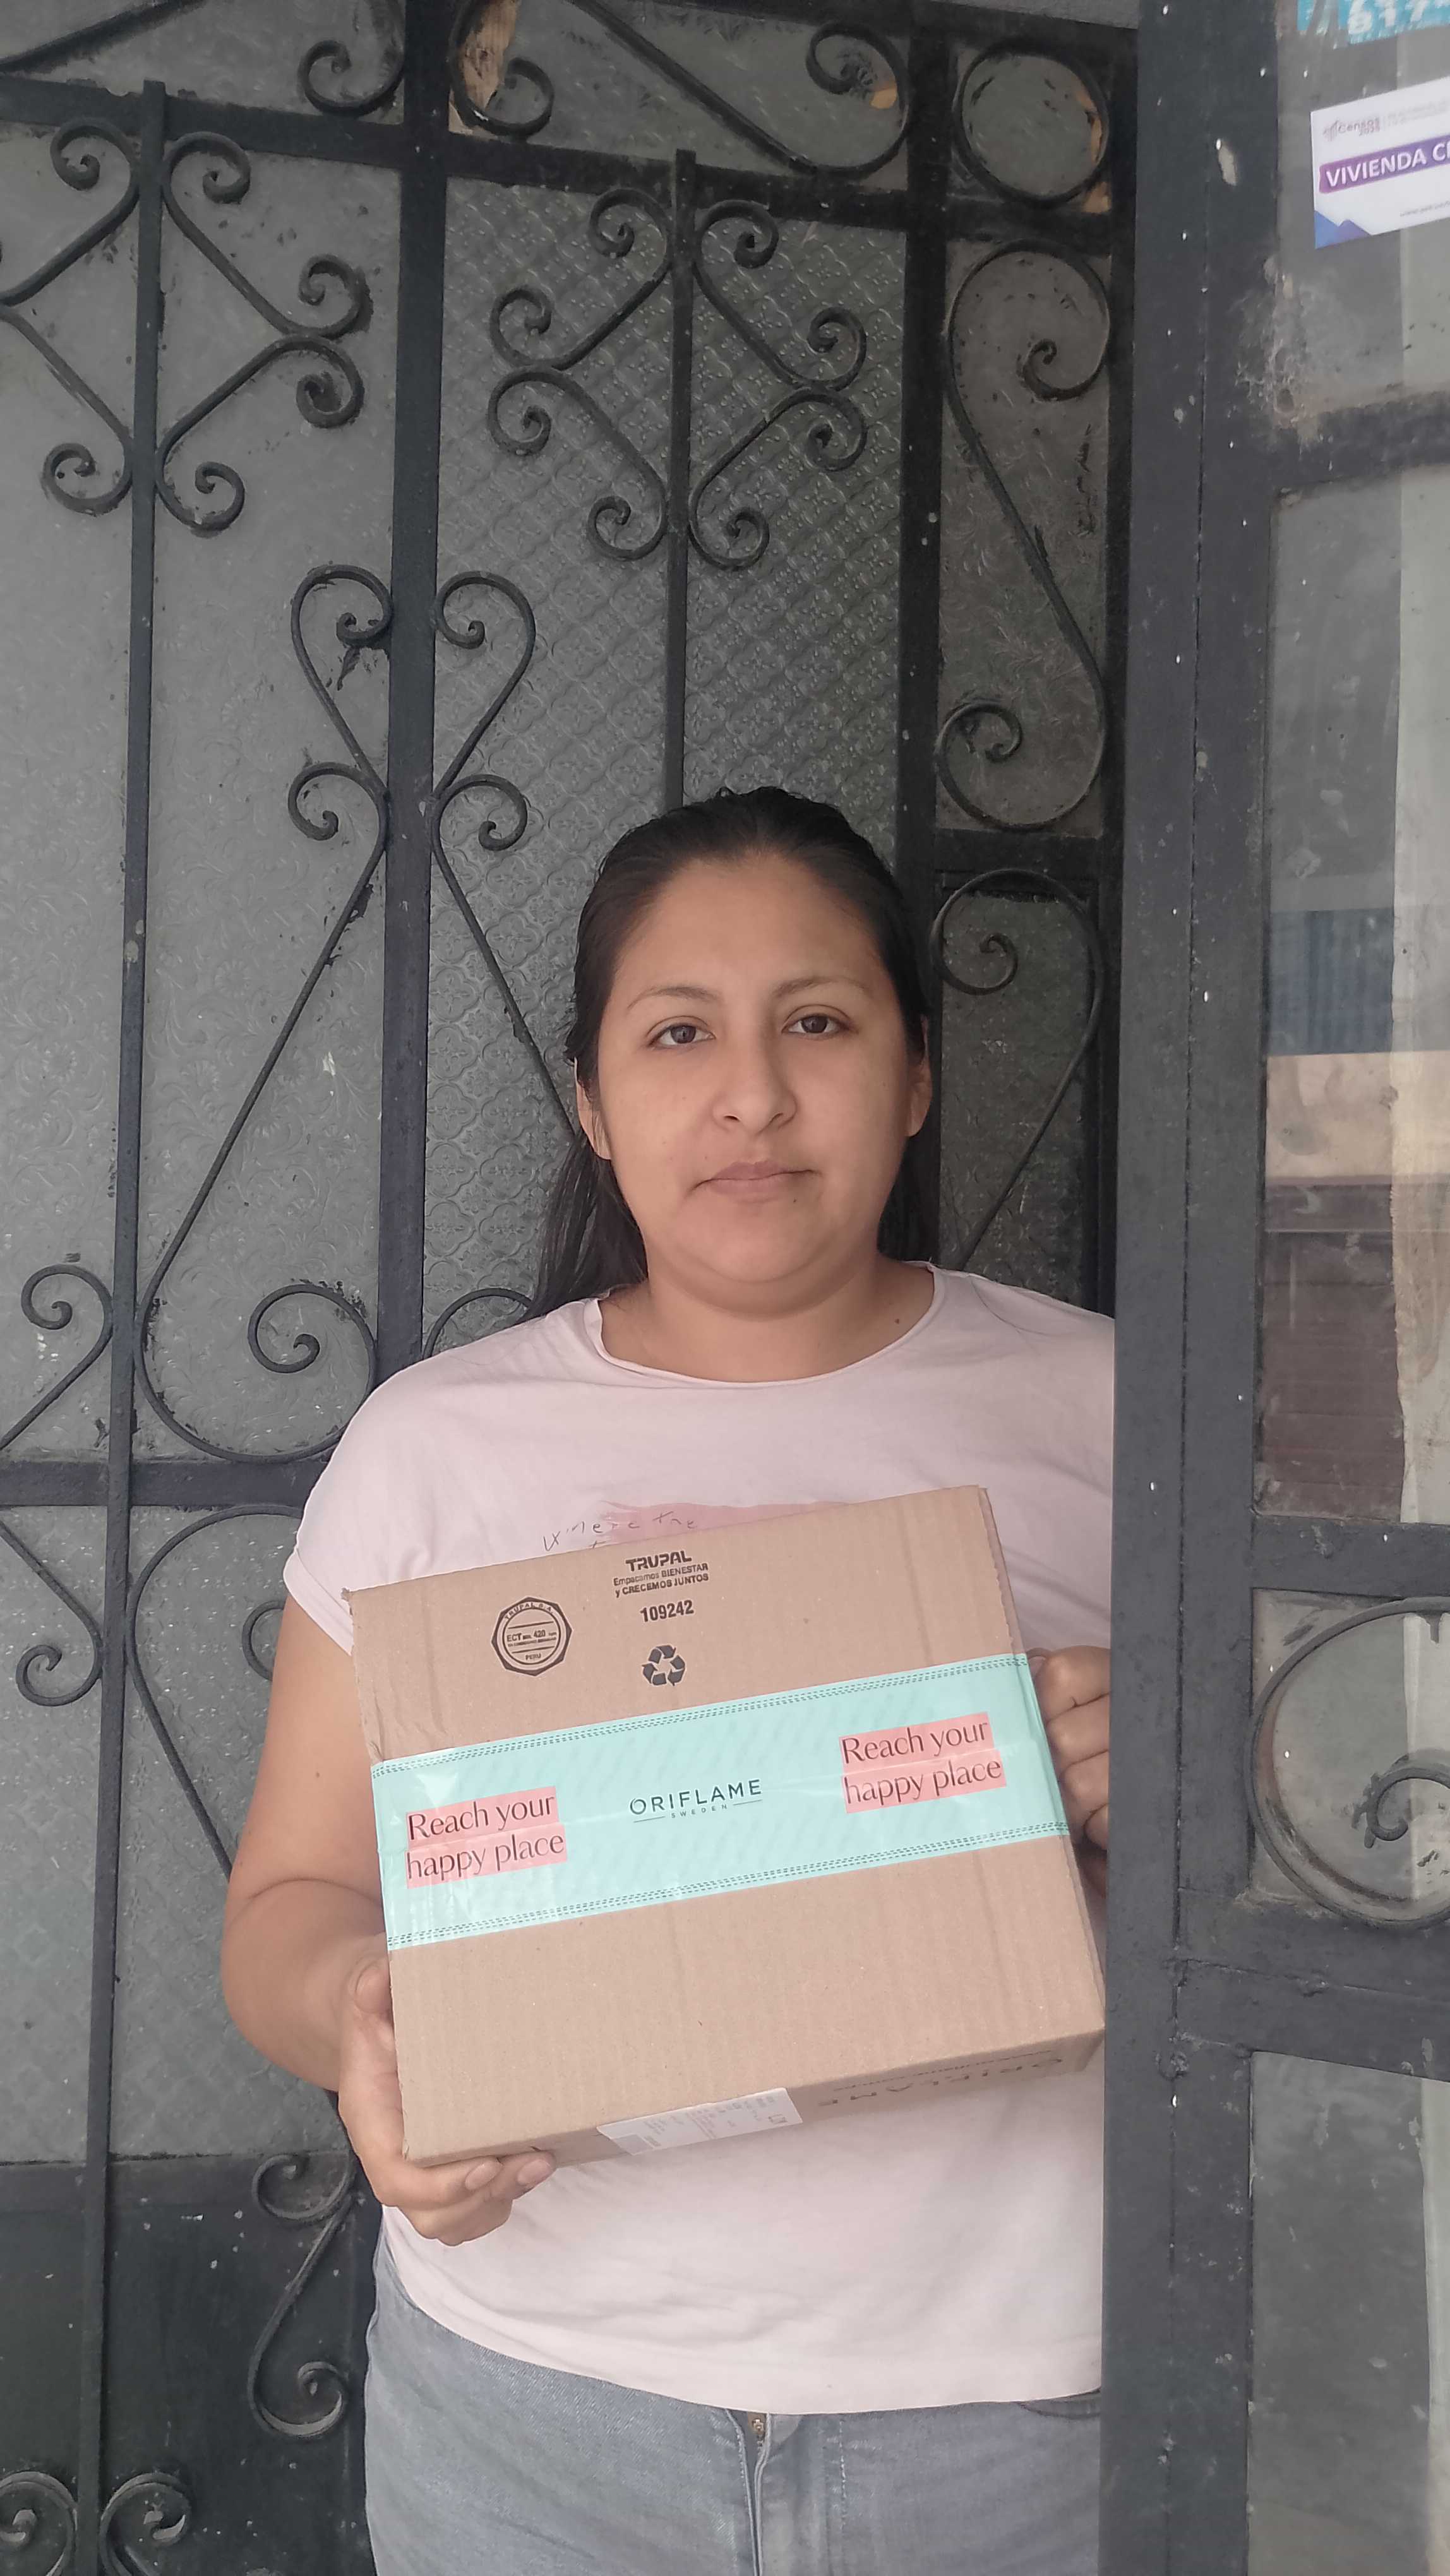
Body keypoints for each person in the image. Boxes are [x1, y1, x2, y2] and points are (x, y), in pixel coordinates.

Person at [222, 786, 1112, 2576]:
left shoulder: (1116, 1416)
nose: (752, 1095)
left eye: (819, 1023)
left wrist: (1175, 1788)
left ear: (916, 1076)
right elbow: (287, 1910)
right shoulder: (438, 1450)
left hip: (1019, 2414)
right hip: (536, 2411)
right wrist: (364, 2025)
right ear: (592, 1098)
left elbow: (1338, 1838)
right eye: (680, 1033)